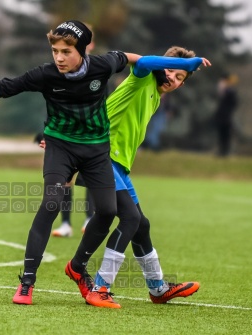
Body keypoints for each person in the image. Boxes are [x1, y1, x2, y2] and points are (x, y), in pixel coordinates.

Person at [0, 20, 137, 305]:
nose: (58, 57)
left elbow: (131, 58)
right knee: (52, 202)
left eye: (66, 51)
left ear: (81, 50)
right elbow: (1, 87)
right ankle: (27, 281)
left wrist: (167, 65)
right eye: (55, 50)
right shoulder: (45, 74)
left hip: (96, 150)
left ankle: (78, 268)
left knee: (107, 211)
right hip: (60, 146)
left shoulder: (103, 65)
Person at [63, 47, 211, 308]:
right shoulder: (142, 76)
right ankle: (100, 287)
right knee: (130, 218)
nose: (173, 79)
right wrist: (190, 64)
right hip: (99, 155)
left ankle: (157, 288)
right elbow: (144, 61)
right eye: (171, 71)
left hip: (118, 164)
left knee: (141, 225)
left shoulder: (155, 95)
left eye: (180, 78)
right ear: (161, 65)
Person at [33, 132, 95, 237]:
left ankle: (89, 219)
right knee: (65, 182)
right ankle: (66, 224)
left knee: (89, 179)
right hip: (66, 143)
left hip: (87, 140)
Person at [214, 73, 239, 157]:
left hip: (226, 117)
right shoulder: (224, 91)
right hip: (222, 117)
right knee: (221, 135)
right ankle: (222, 151)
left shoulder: (230, 91)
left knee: (226, 135)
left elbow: (233, 103)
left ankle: (225, 152)